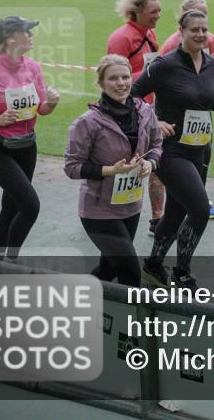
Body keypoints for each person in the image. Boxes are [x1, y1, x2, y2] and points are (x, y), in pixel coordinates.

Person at [131, 9, 214, 290]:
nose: (201, 34)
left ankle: (153, 266)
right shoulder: (165, 65)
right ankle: (182, 273)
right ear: (181, 31)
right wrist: (154, 122)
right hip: (170, 151)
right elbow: (132, 96)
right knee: (199, 210)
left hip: (200, 150)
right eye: (194, 30)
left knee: (176, 212)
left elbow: (211, 104)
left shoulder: (210, 65)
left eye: (204, 30)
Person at [0, 16, 60, 260]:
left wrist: (51, 104)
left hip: (27, 146)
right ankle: (11, 260)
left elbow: (40, 109)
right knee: (30, 206)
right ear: (10, 38)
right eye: (27, 31)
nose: (31, 35)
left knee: (12, 204)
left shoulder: (33, 67)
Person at [64, 55, 162, 287]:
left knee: (108, 269)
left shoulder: (145, 111)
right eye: (113, 78)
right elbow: (71, 167)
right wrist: (111, 170)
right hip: (99, 210)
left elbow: (157, 144)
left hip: (131, 205)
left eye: (125, 77)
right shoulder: (87, 122)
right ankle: (133, 313)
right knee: (130, 273)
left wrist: (151, 163)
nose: (121, 83)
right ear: (101, 83)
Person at [107, 0, 165, 236]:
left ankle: (157, 219)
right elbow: (112, 78)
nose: (158, 15)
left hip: (149, 108)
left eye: (159, 10)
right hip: (125, 112)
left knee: (154, 161)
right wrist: (149, 74)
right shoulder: (121, 38)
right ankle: (107, 215)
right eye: (154, 11)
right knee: (124, 165)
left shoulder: (149, 34)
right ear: (137, 12)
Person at [160, 0, 214, 220]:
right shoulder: (171, 46)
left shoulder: (210, 39)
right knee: (178, 162)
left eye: (204, 14)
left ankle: (198, 198)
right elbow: (157, 78)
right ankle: (180, 207)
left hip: (202, 112)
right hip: (178, 115)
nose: (201, 19)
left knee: (204, 154)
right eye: (196, 13)